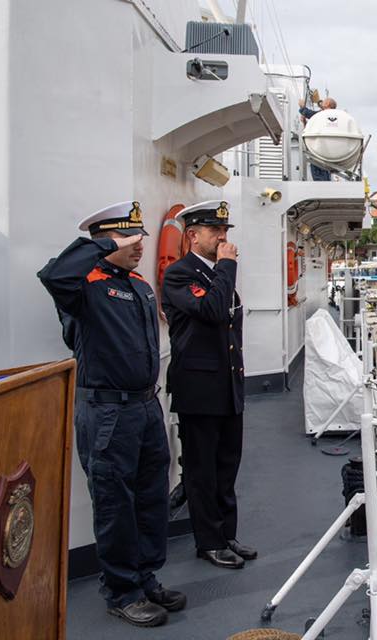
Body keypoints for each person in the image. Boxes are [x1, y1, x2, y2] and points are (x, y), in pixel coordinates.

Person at [38, 201, 184, 627]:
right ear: (105, 239)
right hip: (106, 412)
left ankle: (145, 576)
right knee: (115, 503)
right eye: (129, 238)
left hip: (144, 406)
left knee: (152, 495)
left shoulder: (138, 286)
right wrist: (102, 245)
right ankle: (122, 591)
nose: (140, 244)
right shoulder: (83, 286)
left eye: (140, 236)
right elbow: (52, 274)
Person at [161, 200, 256, 570]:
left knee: (227, 466)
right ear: (192, 235)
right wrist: (227, 265)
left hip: (228, 387)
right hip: (199, 392)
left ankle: (227, 534)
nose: (222, 237)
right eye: (215, 231)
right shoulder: (180, 275)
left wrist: (223, 270)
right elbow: (213, 312)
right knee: (202, 471)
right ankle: (209, 542)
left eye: (225, 231)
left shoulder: (218, 276)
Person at [298, 95, 338, 181]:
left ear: (327, 104)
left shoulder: (326, 115)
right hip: (326, 151)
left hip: (320, 150)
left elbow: (311, 114)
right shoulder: (332, 117)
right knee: (323, 172)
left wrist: (302, 107)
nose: (322, 103)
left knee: (319, 173)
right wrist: (305, 122)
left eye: (324, 101)